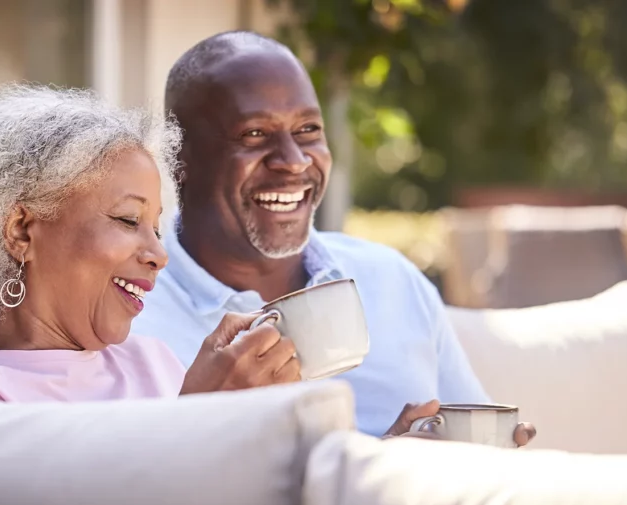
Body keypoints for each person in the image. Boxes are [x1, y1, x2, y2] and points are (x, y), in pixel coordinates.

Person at [130, 31, 535, 443]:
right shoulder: (127, 314)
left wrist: (482, 458)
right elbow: (112, 500)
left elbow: (480, 445)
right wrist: (198, 418)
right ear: (179, 158)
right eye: (254, 134)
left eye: (307, 130)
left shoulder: (391, 281)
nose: (294, 160)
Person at [0, 84, 301, 402]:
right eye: (128, 219)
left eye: (155, 227)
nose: (159, 255)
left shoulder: (154, 366)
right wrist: (199, 415)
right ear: (21, 230)